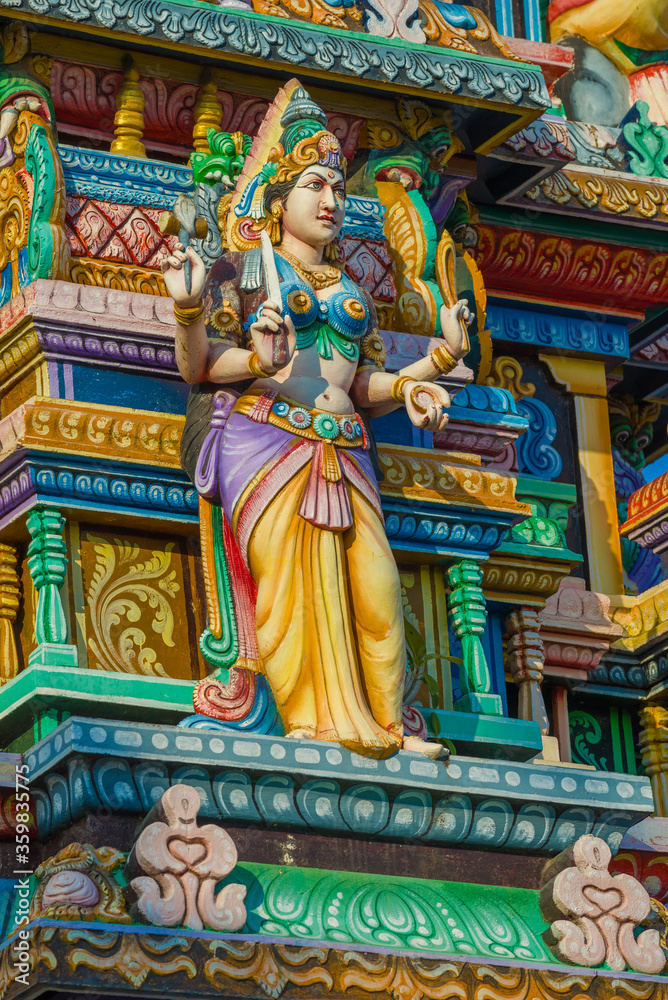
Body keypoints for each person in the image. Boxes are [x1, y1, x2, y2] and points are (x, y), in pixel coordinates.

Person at [162, 82, 471, 760]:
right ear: (276, 203)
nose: (331, 201)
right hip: (268, 439)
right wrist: (204, 321)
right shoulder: (244, 275)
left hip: (347, 447)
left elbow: (362, 382)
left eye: (336, 186)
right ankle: (305, 725)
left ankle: (388, 726)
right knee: (288, 593)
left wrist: (424, 377)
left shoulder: (351, 287)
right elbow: (199, 368)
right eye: (314, 185)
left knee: (377, 592)